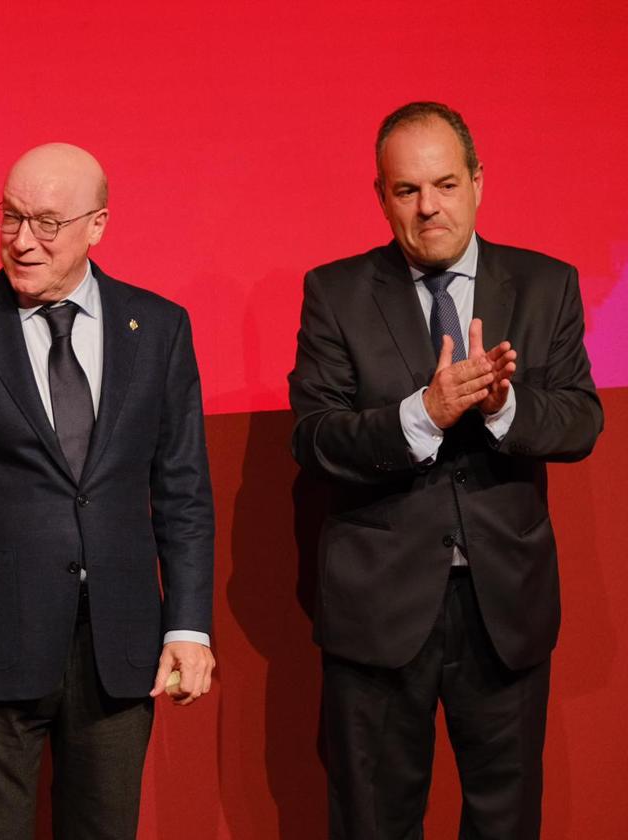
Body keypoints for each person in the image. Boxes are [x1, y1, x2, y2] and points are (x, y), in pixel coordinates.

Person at [0, 143, 216, 839]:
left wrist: (188, 624)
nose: (22, 241)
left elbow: (182, 491)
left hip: (117, 649)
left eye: (46, 223)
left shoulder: (158, 328)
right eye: (10, 217)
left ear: (98, 225)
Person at [289, 101, 603, 838]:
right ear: (381, 197)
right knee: (374, 821)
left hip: (505, 610)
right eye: (406, 191)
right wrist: (423, 414)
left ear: (478, 183)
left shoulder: (545, 283)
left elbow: (581, 420)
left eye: (445, 184)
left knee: (505, 820)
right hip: (378, 612)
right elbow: (315, 438)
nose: (428, 207)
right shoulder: (334, 293)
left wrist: (503, 407)